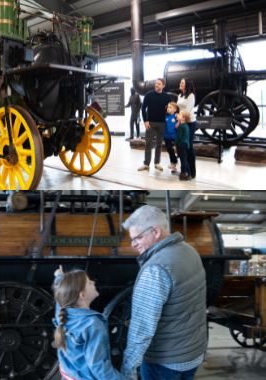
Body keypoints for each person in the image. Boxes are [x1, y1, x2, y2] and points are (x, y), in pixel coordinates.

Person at [121, 205, 207, 380]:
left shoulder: (156, 269)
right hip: (193, 352)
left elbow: (142, 328)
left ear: (156, 231)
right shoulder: (189, 250)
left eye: (137, 238)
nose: (133, 245)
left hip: (165, 362)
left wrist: (128, 367)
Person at [52, 266, 125, 380]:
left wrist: (59, 277)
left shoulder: (62, 312)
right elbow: (98, 365)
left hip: (68, 375)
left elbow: (59, 297)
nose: (92, 282)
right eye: (89, 282)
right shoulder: (92, 324)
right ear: (82, 295)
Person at [138, 78, 171, 172]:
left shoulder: (167, 97)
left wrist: (168, 122)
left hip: (162, 123)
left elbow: (170, 110)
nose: (156, 85)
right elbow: (143, 108)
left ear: (163, 86)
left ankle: (157, 163)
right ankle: (146, 164)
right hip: (150, 123)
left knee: (159, 144)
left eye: (159, 84)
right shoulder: (149, 95)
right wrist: (145, 121)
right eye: (156, 84)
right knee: (148, 143)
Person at [177, 78, 197, 179]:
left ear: (187, 85)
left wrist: (179, 116)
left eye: (182, 83)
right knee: (182, 148)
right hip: (181, 122)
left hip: (189, 123)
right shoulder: (179, 95)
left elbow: (188, 111)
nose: (180, 84)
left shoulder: (191, 95)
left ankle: (191, 172)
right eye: (180, 82)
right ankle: (185, 170)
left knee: (188, 147)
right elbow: (178, 109)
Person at [175, 111, 192, 181]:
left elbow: (178, 137)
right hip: (186, 144)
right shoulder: (186, 126)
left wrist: (175, 144)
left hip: (181, 145)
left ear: (183, 118)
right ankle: (189, 173)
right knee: (185, 159)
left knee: (183, 160)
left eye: (179, 115)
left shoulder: (181, 127)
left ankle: (183, 173)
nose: (177, 115)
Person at [164, 102, 179, 175]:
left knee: (178, 151)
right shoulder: (165, 117)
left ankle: (177, 163)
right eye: (168, 107)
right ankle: (173, 164)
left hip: (175, 137)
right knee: (169, 150)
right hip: (167, 137)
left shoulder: (176, 117)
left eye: (170, 107)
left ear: (175, 109)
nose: (168, 109)